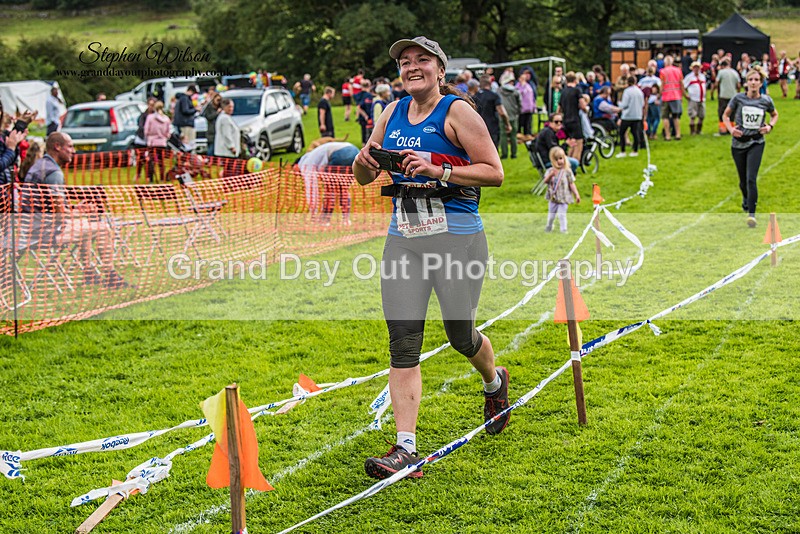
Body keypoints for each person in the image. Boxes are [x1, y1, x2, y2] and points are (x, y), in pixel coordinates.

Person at [353, 36, 509, 480]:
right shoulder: (391, 112)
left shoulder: (458, 112)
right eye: (405, 61)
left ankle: (494, 383)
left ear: (441, 69)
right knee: (403, 344)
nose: (412, 66)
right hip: (404, 240)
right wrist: (366, 159)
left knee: (461, 336)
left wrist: (439, 168)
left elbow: (494, 172)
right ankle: (406, 450)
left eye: (422, 60)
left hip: (457, 241)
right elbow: (363, 176)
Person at [19, 132, 129, 289]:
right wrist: (81, 212)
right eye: (70, 146)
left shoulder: (40, 165)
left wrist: (76, 209)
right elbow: (59, 216)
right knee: (103, 228)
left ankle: (89, 272)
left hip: (29, 229)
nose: (74, 151)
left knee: (86, 225)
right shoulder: (53, 173)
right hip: (44, 234)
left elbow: (51, 208)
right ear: (57, 147)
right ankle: (111, 275)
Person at [722, 67, 778, 228]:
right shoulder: (738, 98)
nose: (753, 83)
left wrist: (770, 127)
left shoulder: (766, 100)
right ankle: (746, 200)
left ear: (761, 83)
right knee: (742, 181)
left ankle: (752, 214)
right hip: (738, 144)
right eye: (750, 80)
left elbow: (775, 114)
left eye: (756, 80)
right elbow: (725, 115)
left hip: (756, 142)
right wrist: (731, 129)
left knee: (751, 178)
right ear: (746, 83)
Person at [297, 140, 358, 225]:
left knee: (330, 190)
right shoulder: (316, 155)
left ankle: (325, 220)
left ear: (297, 164)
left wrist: (313, 212)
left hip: (340, 154)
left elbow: (311, 188)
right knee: (344, 188)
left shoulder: (306, 163)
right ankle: (346, 220)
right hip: (355, 151)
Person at [543, 146, 580, 233]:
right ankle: (549, 226)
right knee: (551, 215)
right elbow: (545, 181)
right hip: (553, 198)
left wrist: (576, 194)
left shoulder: (567, 172)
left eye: (561, 158)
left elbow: (571, 183)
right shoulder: (550, 171)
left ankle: (563, 230)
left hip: (564, 197)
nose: (560, 161)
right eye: (557, 159)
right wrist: (550, 175)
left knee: (561, 214)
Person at [472, 75, 511, 150]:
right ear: (490, 84)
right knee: (493, 149)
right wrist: (507, 124)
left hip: (478, 127)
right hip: (492, 126)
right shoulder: (494, 96)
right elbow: (502, 112)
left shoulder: (475, 97)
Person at [557, 72, 586, 161]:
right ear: (575, 80)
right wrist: (586, 109)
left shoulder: (563, 92)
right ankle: (574, 165)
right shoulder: (577, 90)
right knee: (579, 143)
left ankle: (567, 164)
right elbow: (583, 105)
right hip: (575, 120)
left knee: (571, 143)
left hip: (566, 120)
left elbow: (559, 108)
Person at [617, 76, 645, 157]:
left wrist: (619, 104)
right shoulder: (640, 91)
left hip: (627, 115)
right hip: (637, 115)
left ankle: (623, 151)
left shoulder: (627, 91)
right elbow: (642, 104)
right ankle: (635, 150)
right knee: (635, 133)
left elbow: (625, 104)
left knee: (622, 132)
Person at [144, 101, 171, 182]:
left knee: (151, 161)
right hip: (162, 142)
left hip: (152, 142)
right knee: (161, 161)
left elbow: (146, 130)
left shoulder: (150, 117)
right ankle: (162, 178)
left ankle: (151, 178)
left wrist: (148, 137)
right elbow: (168, 132)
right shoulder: (166, 119)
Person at [214, 98, 241, 176]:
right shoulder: (225, 118)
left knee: (228, 171)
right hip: (227, 151)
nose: (231, 109)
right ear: (224, 107)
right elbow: (227, 135)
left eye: (232, 107)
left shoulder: (224, 117)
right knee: (230, 172)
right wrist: (232, 147)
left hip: (226, 151)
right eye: (229, 107)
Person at [659, 55, 684, 140]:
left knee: (665, 117)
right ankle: (678, 134)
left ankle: (668, 135)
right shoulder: (678, 70)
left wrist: (659, 94)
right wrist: (683, 95)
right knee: (676, 116)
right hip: (676, 95)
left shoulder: (662, 71)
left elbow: (662, 84)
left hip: (666, 96)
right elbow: (681, 83)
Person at [498, 71, 521, 159]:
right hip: (513, 115)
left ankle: (504, 154)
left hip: (502, 115)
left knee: (503, 135)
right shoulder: (515, 91)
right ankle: (514, 154)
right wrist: (517, 112)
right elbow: (520, 103)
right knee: (513, 136)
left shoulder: (499, 90)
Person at [714, 58, 740, 135]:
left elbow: (716, 83)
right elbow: (738, 85)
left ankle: (723, 129)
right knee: (732, 113)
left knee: (722, 112)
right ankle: (731, 128)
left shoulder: (721, 72)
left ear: (722, 66)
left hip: (723, 95)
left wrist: (717, 92)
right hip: (733, 96)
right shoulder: (735, 72)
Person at [683, 61, 707, 135]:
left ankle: (699, 130)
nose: (696, 69)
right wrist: (685, 95)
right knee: (692, 115)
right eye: (695, 67)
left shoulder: (702, 76)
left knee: (702, 115)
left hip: (702, 99)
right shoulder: (689, 77)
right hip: (693, 98)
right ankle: (692, 131)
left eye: (698, 67)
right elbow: (683, 87)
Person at [173, 85, 198, 150]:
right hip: (186, 124)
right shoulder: (185, 98)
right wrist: (195, 109)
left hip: (182, 124)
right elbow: (185, 110)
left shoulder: (181, 98)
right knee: (189, 145)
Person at [201, 91, 222, 156]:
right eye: (217, 100)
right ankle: (210, 160)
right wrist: (216, 113)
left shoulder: (221, 107)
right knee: (211, 148)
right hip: (211, 131)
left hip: (219, 131)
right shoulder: (209, 107)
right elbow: (208, 117)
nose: (218, 102)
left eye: (220, 100)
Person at [516, 70, 535, 137]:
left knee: (528, 124)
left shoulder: (528, 86)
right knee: (520, 123)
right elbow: (519, 94)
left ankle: (527, 136)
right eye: (522, 78)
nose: (523, 80)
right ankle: (519, 136)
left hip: (529, 108)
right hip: (521, 109)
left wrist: (533, 106)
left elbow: (532, 96)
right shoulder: (517, 86)